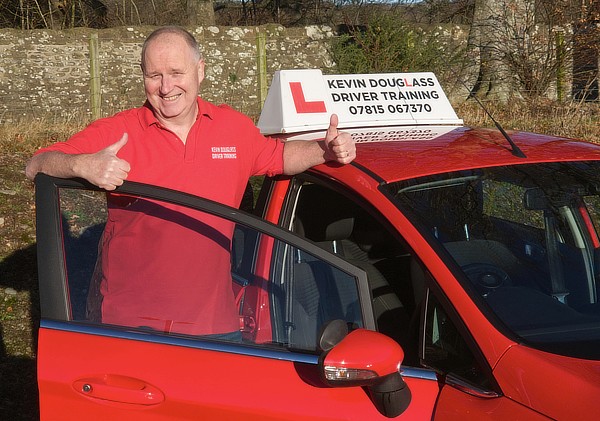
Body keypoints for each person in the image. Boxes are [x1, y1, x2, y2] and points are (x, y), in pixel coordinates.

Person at [25, 26, 356, 338]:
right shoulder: (119, 132)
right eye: (154, 76)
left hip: (214, 328)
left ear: (200, 70)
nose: (166, 87)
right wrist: (83, 164)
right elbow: (35, 165)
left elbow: (280, 156)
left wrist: (325, 149)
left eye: (176, 73)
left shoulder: (232, 128)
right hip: (132, 328)